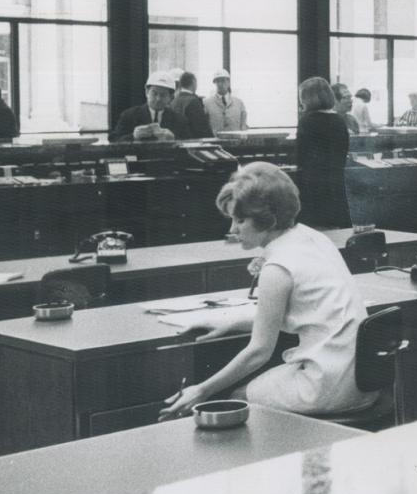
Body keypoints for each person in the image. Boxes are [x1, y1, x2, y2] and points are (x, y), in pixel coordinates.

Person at [159, 163, 376, 419]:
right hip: (361, 381)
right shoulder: (313, 238)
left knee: (236, 399)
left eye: (240, 220)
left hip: (325, 385)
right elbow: (304, 312)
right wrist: (232, 323)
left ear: (266, 218)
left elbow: (259, 352)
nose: (232, 230)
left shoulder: (277, 267)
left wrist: (201, 390)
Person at [294, 76, 351, 229]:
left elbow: (301, 157)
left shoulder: (307, 121)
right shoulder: (339, 120)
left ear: (308, 98)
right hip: (336, 184)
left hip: (313, 186)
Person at [112, 71, 184, 141]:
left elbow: (189, 145)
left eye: (163, 95)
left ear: (170, 97)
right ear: (147, 92)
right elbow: (114, 141)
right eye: (154, 93)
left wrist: (174, 139)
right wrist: (133, 136)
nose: (158, 99)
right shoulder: (129, 116)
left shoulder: (179, 120)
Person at [203, 69, 248, 134]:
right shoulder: (206, 103)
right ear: (214, 83)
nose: (220, 84)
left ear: (228, 82)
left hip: (236, 142)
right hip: (215, 142)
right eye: (217, 81)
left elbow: (243, 126)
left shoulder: (239, 103)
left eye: (223, 81)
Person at [170, 72, 212, 139]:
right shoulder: (194, 102)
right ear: (194, 82)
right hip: (193, 143)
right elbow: (201, 128)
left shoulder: (173, 102)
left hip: (177, 142)